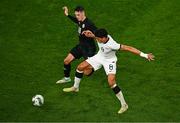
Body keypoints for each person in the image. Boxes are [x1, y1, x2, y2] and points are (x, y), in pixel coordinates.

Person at [63, 28, 155, 114]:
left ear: (104, 38)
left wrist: (145, 55)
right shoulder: (100, 37)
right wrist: (91, 35)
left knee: (111, 82)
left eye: (99, 39)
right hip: (99, 57)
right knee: (80, 67)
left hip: (109, 61)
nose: (97, 40)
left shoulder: (112, 44)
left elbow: (128, 48)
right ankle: (75, 87)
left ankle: (124, 105)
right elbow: (95, 36)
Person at [56, 6, 97, 84]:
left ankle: (98, 63)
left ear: (83, 13)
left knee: (86, 73)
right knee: (66, 61)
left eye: (78, 15)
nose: (76, 17)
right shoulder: (79, 20)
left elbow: (99, 35)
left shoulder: (89, 24)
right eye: (76, 15)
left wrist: (92, 35)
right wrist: (67, 14)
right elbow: (75, 20)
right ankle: (67, 78)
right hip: (81, 46)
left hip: (89, 49)